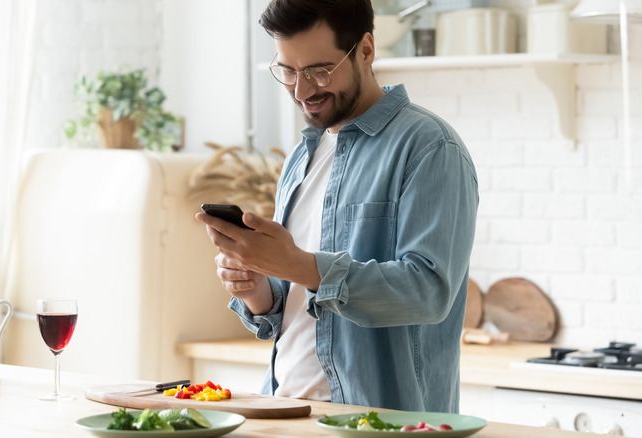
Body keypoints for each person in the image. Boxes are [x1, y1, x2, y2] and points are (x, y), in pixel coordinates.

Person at [195, 0, 478, 413]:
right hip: (287, 412)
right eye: (288, 71)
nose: (301, 90)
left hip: (379, 422)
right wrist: (257, 286)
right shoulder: (302, 155)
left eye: (318, 71)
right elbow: (298, 304)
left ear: (365, 50)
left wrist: (298, 265)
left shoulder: (429, 147)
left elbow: (429, 292)